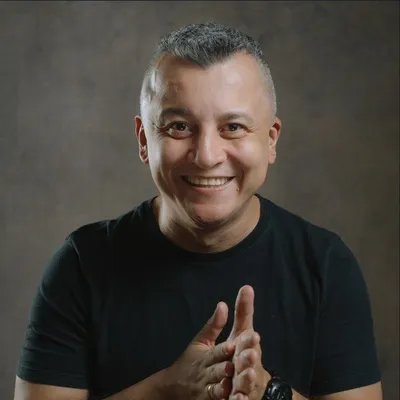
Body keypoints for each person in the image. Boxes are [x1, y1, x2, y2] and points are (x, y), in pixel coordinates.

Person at [14, 22, 383, 400]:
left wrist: (267, 392)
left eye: (233, 127)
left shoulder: (325, 265)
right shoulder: (81, 266)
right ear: (144, 141)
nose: (207, 156)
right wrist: (163, 390)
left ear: (271, 140)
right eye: (179, 127)